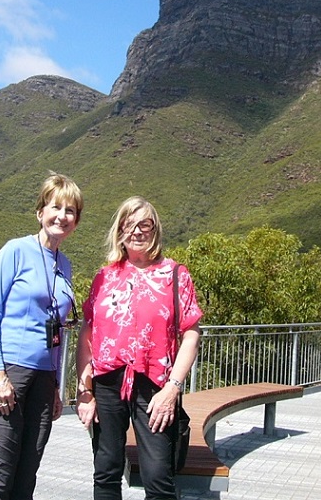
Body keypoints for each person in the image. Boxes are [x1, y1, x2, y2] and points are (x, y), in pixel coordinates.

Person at [76, 196, 202, 500]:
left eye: (144, 224)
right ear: (119, 231)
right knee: (106, 469)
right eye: (129, 225)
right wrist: (85, 391)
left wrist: (173, 388)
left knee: (158, 475)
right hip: (107, 383)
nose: (136, 231)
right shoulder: (105, 277)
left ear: (155, 229)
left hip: (155, 385)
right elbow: (87, 335)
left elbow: (191, 333)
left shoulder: (175, 274)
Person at [0, 172, 83, 500]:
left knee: (26, 471)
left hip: (44, 380)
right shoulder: (15, 252)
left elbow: (59, 329)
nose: (62, 216)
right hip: (8, 374)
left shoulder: (65, 264)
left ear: (76, 221)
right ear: (40, 212)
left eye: (71, 211)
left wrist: (57, 388)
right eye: (56, 207)